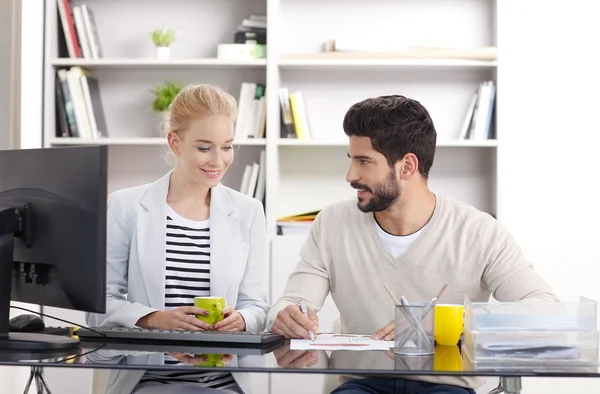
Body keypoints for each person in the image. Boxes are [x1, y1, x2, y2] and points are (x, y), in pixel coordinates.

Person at [266, 95, 559, 394]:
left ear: (407, 166)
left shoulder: (478, 231)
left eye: (364, 161)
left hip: (446, 386)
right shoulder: (332, 223)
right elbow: (291, 301)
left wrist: (448, 321)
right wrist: (286, 314)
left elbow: (547, 310)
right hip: (362, 384)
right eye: (352, 160)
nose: (351, 176)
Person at [86, 84, 269, 394]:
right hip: (148, 382)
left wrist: (240, 319)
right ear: (175, 142)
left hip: (224, 384)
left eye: (227, 146)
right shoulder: (125, 206)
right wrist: (155, 319)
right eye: (203, 147)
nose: (218, 160)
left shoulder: (248, 212)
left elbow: (257, 308)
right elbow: (98, 308)